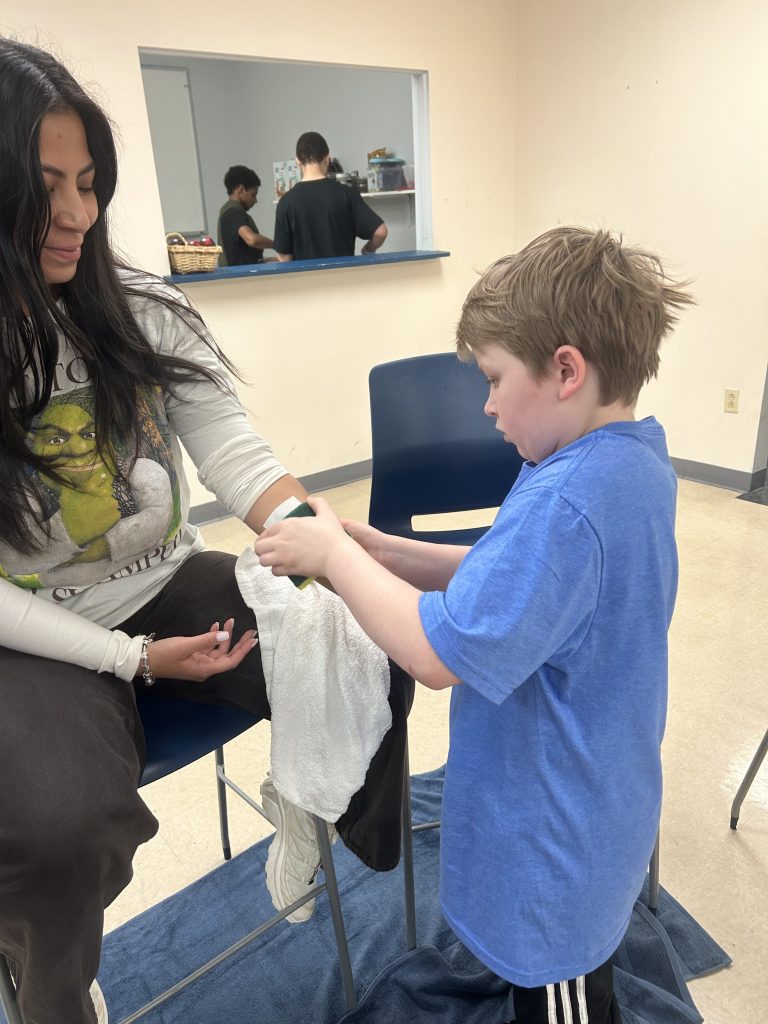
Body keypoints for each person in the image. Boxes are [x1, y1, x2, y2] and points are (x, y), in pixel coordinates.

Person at [0, 38, 413, 1024]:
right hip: (35, 629)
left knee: (369, 641)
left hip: (165, 577)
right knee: (58, 830)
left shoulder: (139, 306)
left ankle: (313, 803)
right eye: (44, 185)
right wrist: (134, 659)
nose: (76, 214)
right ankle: (49, 985)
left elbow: (238, 458)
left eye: (90, 184)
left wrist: (337, 558)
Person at [256, 226, 694, 1024]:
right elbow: (506, 583)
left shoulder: (566, 504)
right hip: (597, 802)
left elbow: (434, 652)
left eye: (494, 379)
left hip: (555, 851)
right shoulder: (622, 462)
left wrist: (337, 561)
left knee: (562, 1000)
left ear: (566, 370)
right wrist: (381, 549)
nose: (487, 404)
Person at [273, 131, 388, 261]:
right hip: (344, 278)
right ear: (328, 158)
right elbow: (381, 232)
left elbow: (284, 256)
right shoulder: (347, 194)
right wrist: (368, 250)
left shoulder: (286, 202)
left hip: (305, 280)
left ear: (298, 161)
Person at [217, 164, 274, 265]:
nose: (255, 200)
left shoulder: (227, 211)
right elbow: (251, 239)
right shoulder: (233, 212)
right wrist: (277, 244)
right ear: (241, 189)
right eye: (253, 194)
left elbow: (244, 256)